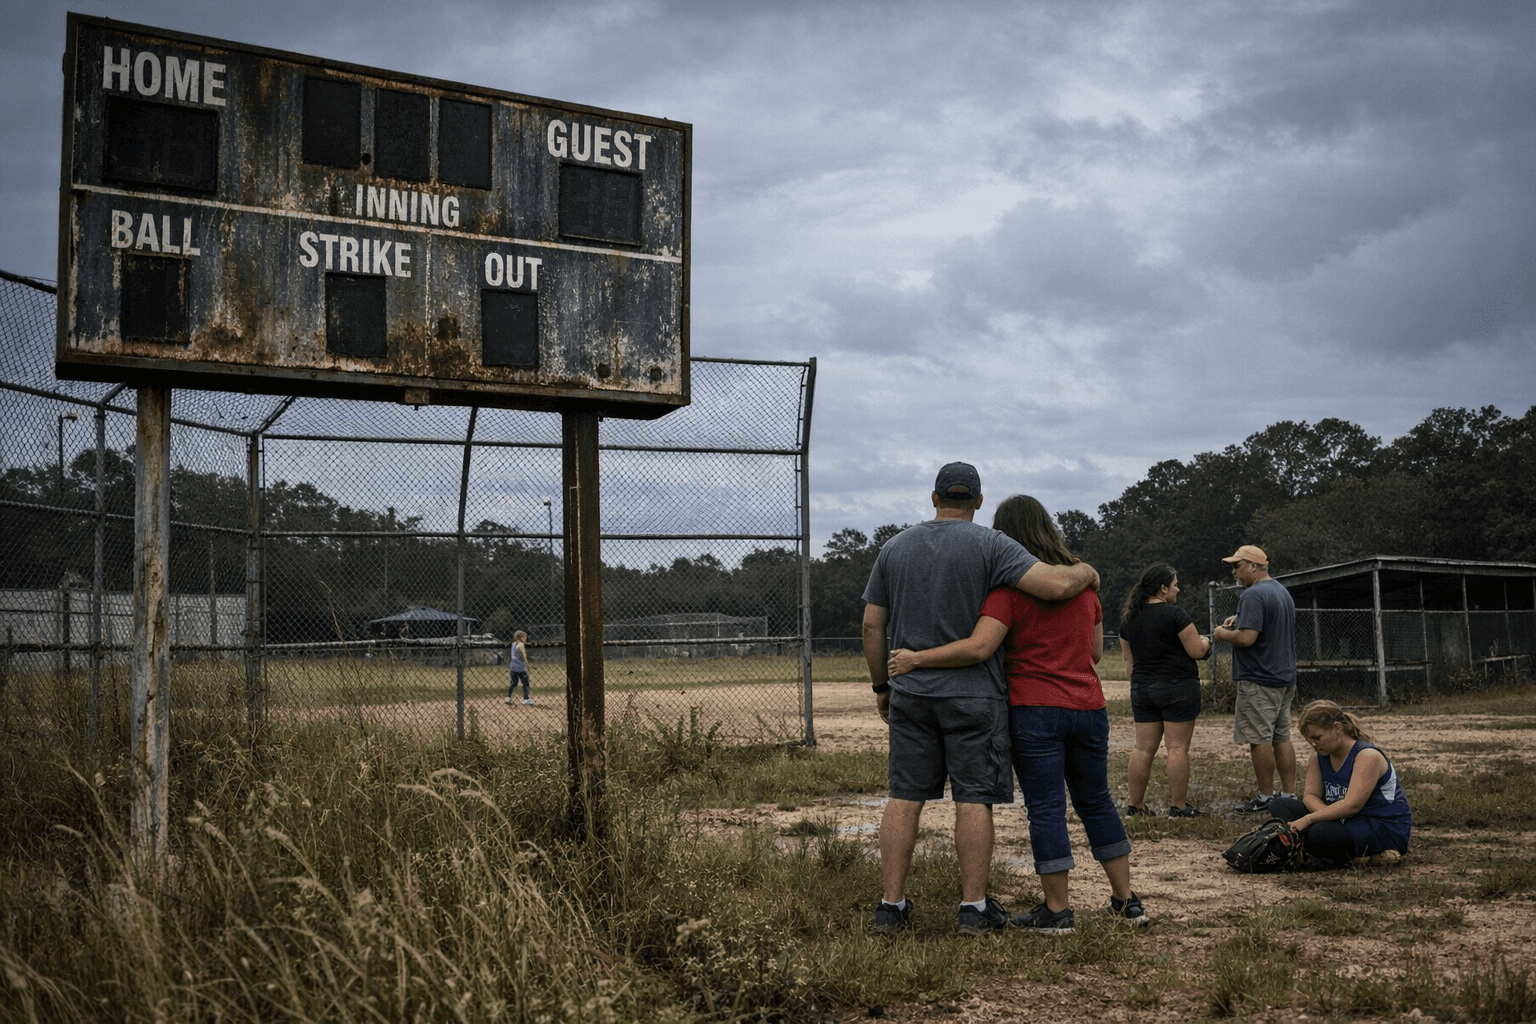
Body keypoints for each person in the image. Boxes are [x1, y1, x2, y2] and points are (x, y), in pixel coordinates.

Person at [888, 495, 1146, 935]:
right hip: (1088, 706)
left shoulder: (1007, 592)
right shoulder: (1086, 589)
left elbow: (980, 646)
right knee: (1096, 801)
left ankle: (1058, 911)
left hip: (1034, 709)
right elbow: (1095, 652)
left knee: (1046, 808)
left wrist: (917, 659)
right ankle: (1127, 902)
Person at [1118, 563, 1213, 817]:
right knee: (1177, 748)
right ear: (1162, 589)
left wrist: (1142, 683)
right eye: (1175, 585)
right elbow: (1197, 651)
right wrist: (1207, 641)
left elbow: (1130, 663)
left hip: (1142, 688)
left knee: (1142, 748)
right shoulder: (1176, 615)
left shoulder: (1128, 619)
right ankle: (1179, 807)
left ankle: (1135, 806)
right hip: (1178, 687)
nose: (1178, 589)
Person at [1268, 700, 1411, 867]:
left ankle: (1362, 857)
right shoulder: (1318, 756)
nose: (1313, 744)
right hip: (1345, 820)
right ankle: (1325, 853)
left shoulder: (1367, 756)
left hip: (1380, 825)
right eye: (1309, 739)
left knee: (1318, 834)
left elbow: (1352, 806)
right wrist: (1326, 817)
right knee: (1280, 805)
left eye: (1317, 737)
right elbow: (1310, 795)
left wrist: (1309, 820)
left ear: (1337, 728)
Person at [1212, 545, 1297, 813]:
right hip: (1284, 678)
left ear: (1253, 566)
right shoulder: (1280, 591)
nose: (1234, 572)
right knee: (1281, 737)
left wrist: (1220, 634)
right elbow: (1268, 623)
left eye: (1237, 566)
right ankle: (1289, 795)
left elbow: (1247, 638)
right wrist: (1240, 619)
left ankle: (1264, 798)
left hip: (1260, 679)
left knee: (1259, 740)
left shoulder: (1253, 594)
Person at [505, 630, 532, 705]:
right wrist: (528, 665)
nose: (525, 639)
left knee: (514, 683)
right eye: (525, 637)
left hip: (513, 666)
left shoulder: (514, 644)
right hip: (520, 667)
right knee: (525, 683)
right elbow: (524, 656)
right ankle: (526, 699)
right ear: (521, 637)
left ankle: (508, 697)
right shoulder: (521, 645)